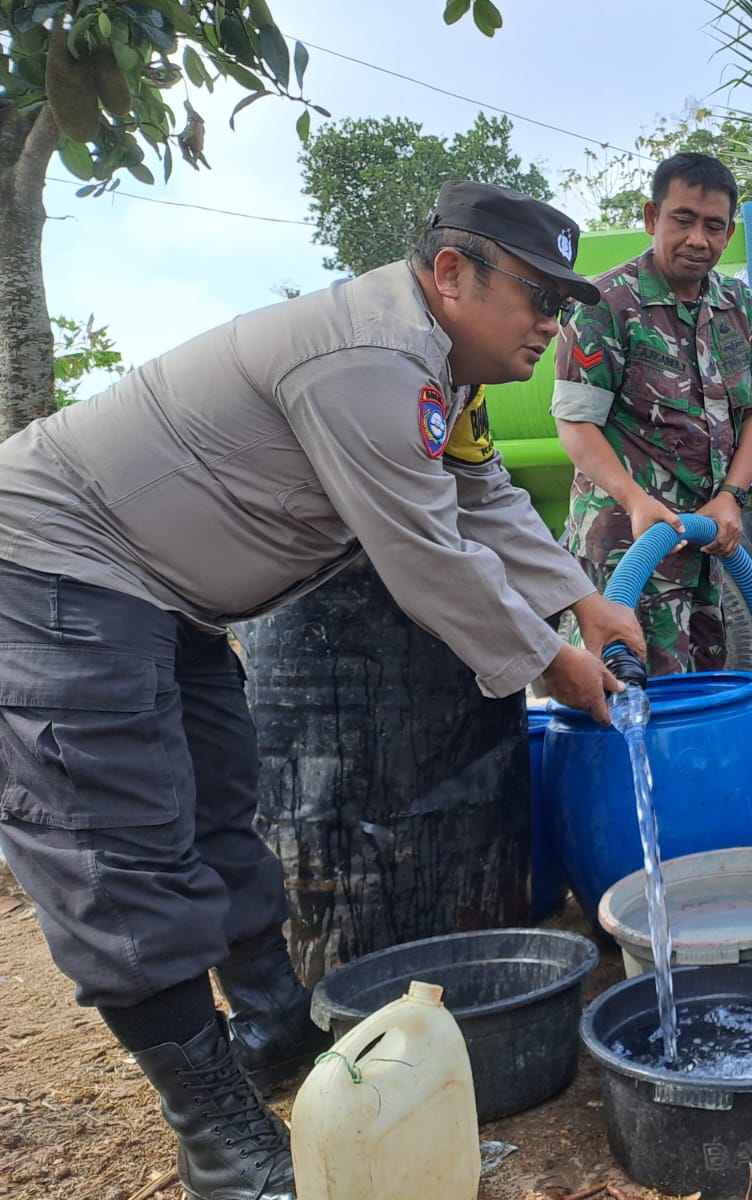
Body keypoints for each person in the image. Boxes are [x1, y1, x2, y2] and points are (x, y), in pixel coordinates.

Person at [0, 182, 645, 1200]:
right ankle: (218, 1136)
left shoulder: (443, 376)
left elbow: (478, 491)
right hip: (55, 567)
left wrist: (579, 595)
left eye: (563, 305)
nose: (550, 326)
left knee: (221, 813)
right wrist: (554, 662)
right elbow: (427, 553)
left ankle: (273, 1036)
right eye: (536, 297)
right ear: (450, 274)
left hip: (171, 598)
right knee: (122, 849)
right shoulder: (367, 364)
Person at [552, 152, 752, 677]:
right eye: (683, 220)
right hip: (626, 552)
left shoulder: (739, 306)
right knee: (624, 701)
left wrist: (731, 496)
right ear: (653, 218)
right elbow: (576, 423)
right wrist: (635, 501)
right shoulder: (604, 302)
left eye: (714, 226)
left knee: (705, 702)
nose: (698, 239)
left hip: (706, 547)